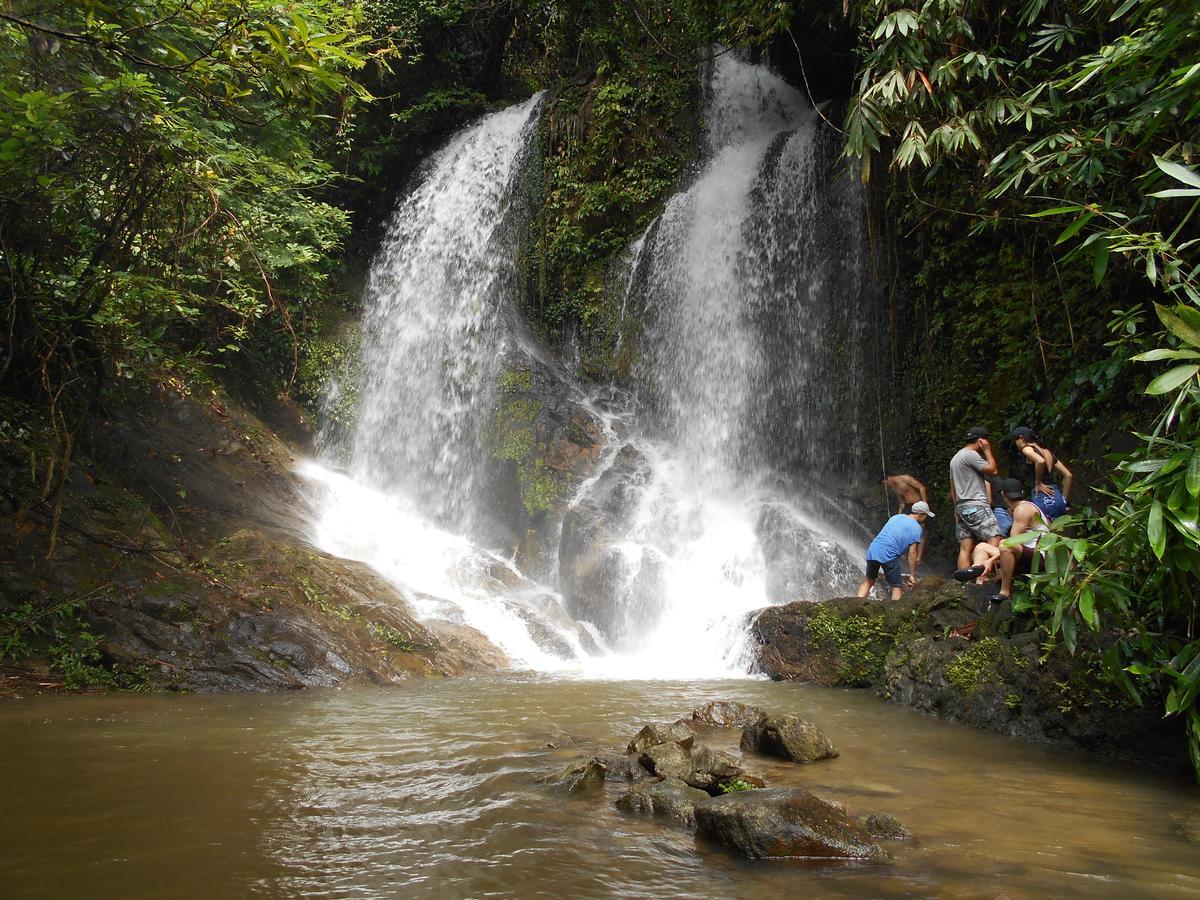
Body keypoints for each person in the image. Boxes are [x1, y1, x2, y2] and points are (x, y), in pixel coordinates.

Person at [857, 501, 934, 602]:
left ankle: (855, 605)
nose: (926, 519)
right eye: (925, 516)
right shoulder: (916, 528)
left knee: (869, 581)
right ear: (920, 514)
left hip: (874, 549)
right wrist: (912, 574)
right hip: (888, 553)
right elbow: (912, 553)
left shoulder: (896, 517)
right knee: (896, 587)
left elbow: (891, 534)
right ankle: (895, 614)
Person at [992, 478, 1053, 604]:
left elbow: (1013, 542)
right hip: (1026, 553)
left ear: (1003, 494)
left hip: (1039, 557)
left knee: (1005, 546)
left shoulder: (1023, 509)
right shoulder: (1021, 508)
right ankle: (980, 583)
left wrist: (989, 561)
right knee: (981, 547)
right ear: (1022, 492)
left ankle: (1005, 591)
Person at [949, 426, 1001, 569]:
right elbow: (993, 470)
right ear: (981, 441)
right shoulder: (970, 455)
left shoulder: (955, 458)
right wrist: (987, 451)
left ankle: (963, 581)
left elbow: (953, 488)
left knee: (966, 547)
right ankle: (990, 575)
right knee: (994, 538)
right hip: (976, 504)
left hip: (962, 506)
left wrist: (956, 510)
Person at [1011, 426, 1073, 520]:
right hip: (1056, 496)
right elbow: (1068, 475)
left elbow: (1040, 461)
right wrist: (1063, 500)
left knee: (1044, 531)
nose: (1016, 445)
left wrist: (1038, 483)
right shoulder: (1047, 451)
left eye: (1015, 441)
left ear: (1021, 438)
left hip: (1043, 496)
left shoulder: (1027, 448)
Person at [883, 474, 929, 561]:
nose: (886, 485)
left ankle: (919, 557)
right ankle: (902, 552)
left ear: (888, 478)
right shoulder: (894, 487)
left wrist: (925, 504)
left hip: (918, 504)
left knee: (921, 530)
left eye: (885, 483)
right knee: (903, 529)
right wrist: (898, 516)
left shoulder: (905, 479)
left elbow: (921, 487)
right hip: (908, 506)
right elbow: (902, 502)